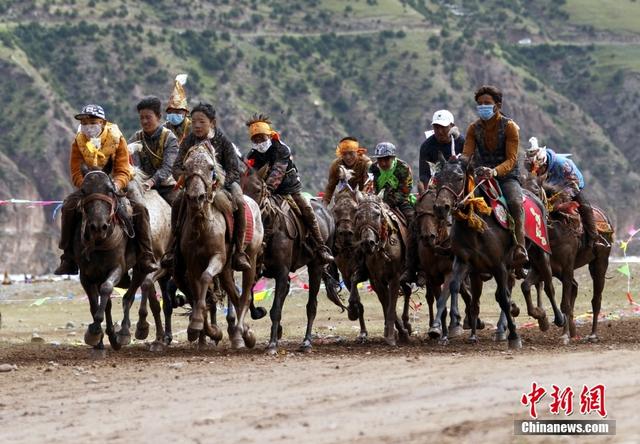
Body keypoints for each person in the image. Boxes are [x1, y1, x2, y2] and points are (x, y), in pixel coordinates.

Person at [54, 104, 157, 275]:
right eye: (85, 122)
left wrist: (115, 185)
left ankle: (146, 255)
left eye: (92, 121)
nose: (88, 125)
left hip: (118, 181)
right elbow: (75, 172)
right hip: (91, 185)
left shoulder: (117, 138)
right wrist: (87, 184)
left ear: (102, 122)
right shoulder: (78, 142)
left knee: (139, 208)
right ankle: (68, 257)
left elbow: (123, 169)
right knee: (68, 206)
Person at [171, 103, 251, 271]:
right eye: (194, 122)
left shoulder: (222, 141)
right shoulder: (189, 141)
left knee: (239, 201)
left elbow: (234, 170)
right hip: (196, 184)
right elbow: (177, 167)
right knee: (178, 201)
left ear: (212, 123)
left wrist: (218, 185)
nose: (197, 126)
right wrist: (188, 180)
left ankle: (239, 251)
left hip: (223, 185)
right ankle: (174, 248)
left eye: (202, 122)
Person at [245, 114, 334, 264]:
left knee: (307, 210)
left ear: (269, 135)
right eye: (255, 139)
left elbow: (277, 172)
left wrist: (268, 189)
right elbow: (250, 175)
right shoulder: (252, 155)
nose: (259, 142)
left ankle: (321, 247)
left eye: (262, 138)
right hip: (263, 192)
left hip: (289, 190)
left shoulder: (281, 149)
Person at [460, 85, 528, 273]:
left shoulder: (510, 127)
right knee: (463, 201)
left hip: (506, 177)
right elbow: (467, 154)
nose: (483, 107)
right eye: (480, 104)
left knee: (514, 202)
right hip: (481, 176)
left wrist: (495, 172)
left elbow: (512, 159)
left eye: (487, 103)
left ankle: (520, 247)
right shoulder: (473, 128)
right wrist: (458, 160)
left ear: (497, 105)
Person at [526, 136, 599, 249]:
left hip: (570, 185)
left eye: (538, 169)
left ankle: (594, 238)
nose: (536, 172)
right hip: (550, 187)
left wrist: (559, 199)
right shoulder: (534, 167)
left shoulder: (563, 165)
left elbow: (574, 185)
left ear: (544, 163)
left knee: (585, 207)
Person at [129, 96, 179, 205]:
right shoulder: (135, 138)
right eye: (141, 118)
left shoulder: (169, 138)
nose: (144, 121)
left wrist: (152, 181)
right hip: (141, 187)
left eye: (148, 117)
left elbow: (168, 167)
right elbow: (132, 163)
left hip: (166, 187)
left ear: (158, 117)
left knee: (181, 207)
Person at [418, 109, 465, 193]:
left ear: (452, 126)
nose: (440, 131)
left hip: (459, 184)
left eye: (443, 127)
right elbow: (424, 174)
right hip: (437, 185)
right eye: (436, 127)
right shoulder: (427, 146)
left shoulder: (462, 142)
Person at [322, 137, 371, 206]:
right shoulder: (336, 165)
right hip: (344, 199)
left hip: (363, 199)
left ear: (357, 152)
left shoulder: (366, 163)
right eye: (344, 154)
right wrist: (324, 205)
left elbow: (368, 186)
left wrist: (360, 199)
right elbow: (330, 187)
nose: (348, 157)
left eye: (351, 153)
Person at [164, 74, 191, 145]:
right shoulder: (164, 128)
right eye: (170, 112)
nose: (173, 114)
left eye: (177, 111)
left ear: (185, 112)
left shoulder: (192, 128)